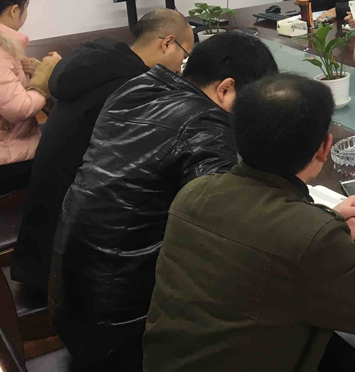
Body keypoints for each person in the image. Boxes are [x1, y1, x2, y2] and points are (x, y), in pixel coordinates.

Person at [143, 73, 355, 371]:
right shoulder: (309, 239)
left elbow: (261, 239)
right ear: (324, 147)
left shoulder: (193, 194)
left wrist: (325, 218)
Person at [50, 31, 279, 372]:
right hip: (127, 333)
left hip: (73, 305)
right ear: (226, 89)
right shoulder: (204, 123)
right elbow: (230, 231)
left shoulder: (137, 88)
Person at [12, 9, 193, 299]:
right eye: (184, 56)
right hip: (67, 267)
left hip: (38, 245)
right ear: (167, 43)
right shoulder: (132, 87)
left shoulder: (98, 65)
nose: (179, 68)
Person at [0, 0, 60, 193]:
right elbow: (19, 109)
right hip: (10, 159)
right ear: (14, 10)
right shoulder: (2, 50)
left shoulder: (8, 46)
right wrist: (43, 79)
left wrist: (37, 73)